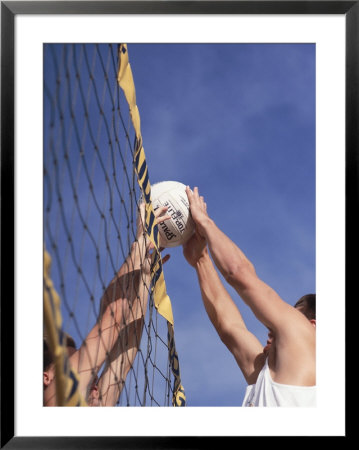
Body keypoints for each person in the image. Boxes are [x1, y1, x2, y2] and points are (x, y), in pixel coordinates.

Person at [183, 186, 316, 407]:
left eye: (293, 313)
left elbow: (239, 274)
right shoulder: (270, 375)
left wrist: (205, 222)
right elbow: (230, 328)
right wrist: (200, 260)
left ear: (312, 325)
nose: (270, 329)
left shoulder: (305, 341)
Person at [44, 203, 170, 406]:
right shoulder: (55, 401)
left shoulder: (96, 408)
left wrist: (145, 277)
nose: (90, 367)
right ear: (46, 378)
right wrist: (139, 245)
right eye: (74, 360)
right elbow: (115, 315)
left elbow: (126, 349)